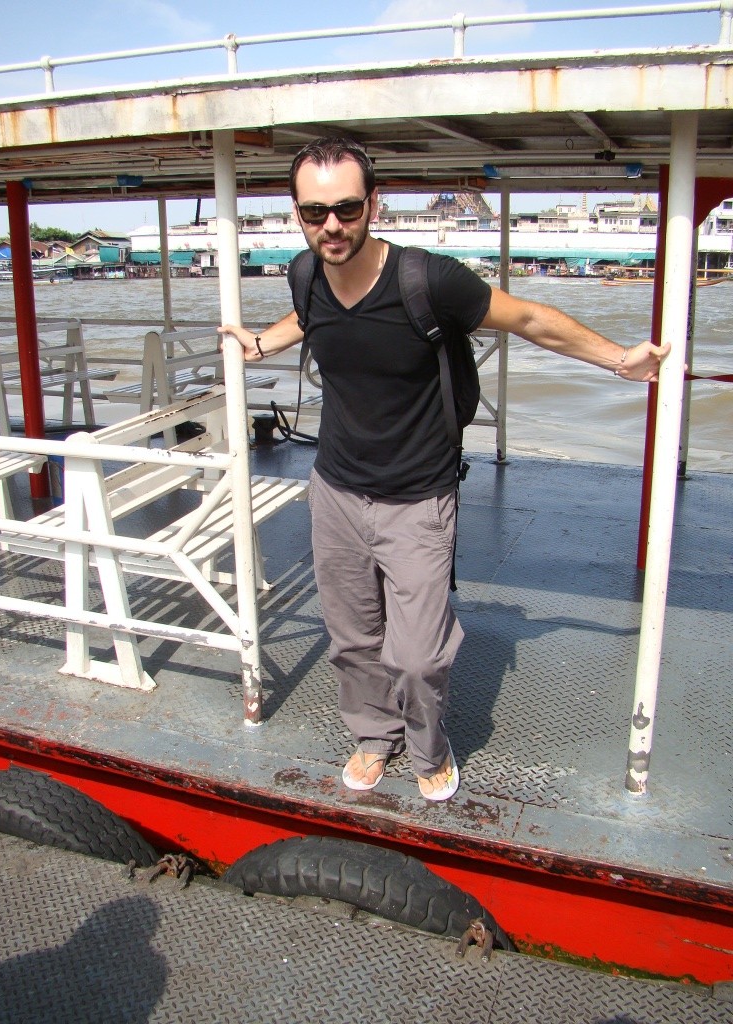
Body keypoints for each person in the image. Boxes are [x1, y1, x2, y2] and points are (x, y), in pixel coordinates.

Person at [220, 136, 670, 802]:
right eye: (315, 213)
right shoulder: (304, 272)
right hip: (336, 488)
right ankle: (374, 735)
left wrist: (617, 360)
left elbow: (529, 318)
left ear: (374, 204)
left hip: (418, 498)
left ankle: (429, 746)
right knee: (352, 638)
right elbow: (309, 316)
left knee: (417, 656)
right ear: (298, 214)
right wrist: (260, 342)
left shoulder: (429, 280)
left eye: (346, 209)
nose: (332, 226)